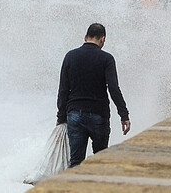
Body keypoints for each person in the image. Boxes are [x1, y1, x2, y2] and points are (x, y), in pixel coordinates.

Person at [56, 23, 131, 168]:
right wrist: (124, 115)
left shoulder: (70, 56)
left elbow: (63, 90)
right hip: (98, 115)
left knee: (76, 163)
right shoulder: (106, 59)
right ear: (103, 39)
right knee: (100, 162)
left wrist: (61, 117)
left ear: (85, 37)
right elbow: (114, 89)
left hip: (75, 115)